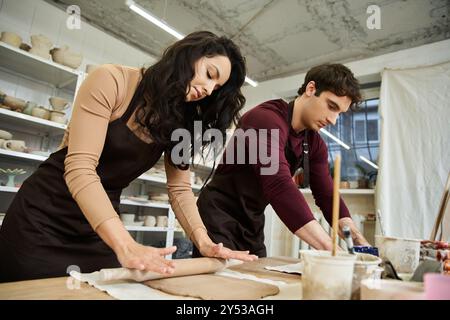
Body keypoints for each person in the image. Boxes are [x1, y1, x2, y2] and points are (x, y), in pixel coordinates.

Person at [0, 31, 257, 283]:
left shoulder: (182, 122)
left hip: (97, 232)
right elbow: (80, 167)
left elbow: (179, 189)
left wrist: (204, 241)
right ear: (188, 55)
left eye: (217, 87)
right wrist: (125, 243)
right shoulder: (112, 81)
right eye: (210, 74)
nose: (209, 89)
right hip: (42, 218)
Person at [194, 63, 370, 258]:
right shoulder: (265, 119)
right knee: (220, 283)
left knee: (256, 279)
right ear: (311, 89)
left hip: (252, 221)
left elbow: (327, 196)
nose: (333, 120)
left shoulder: (314, 143)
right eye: (331, 106)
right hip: (218, 215)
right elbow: (278, 184)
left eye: (339, 113)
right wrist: (334, 253)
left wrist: (359, 242)